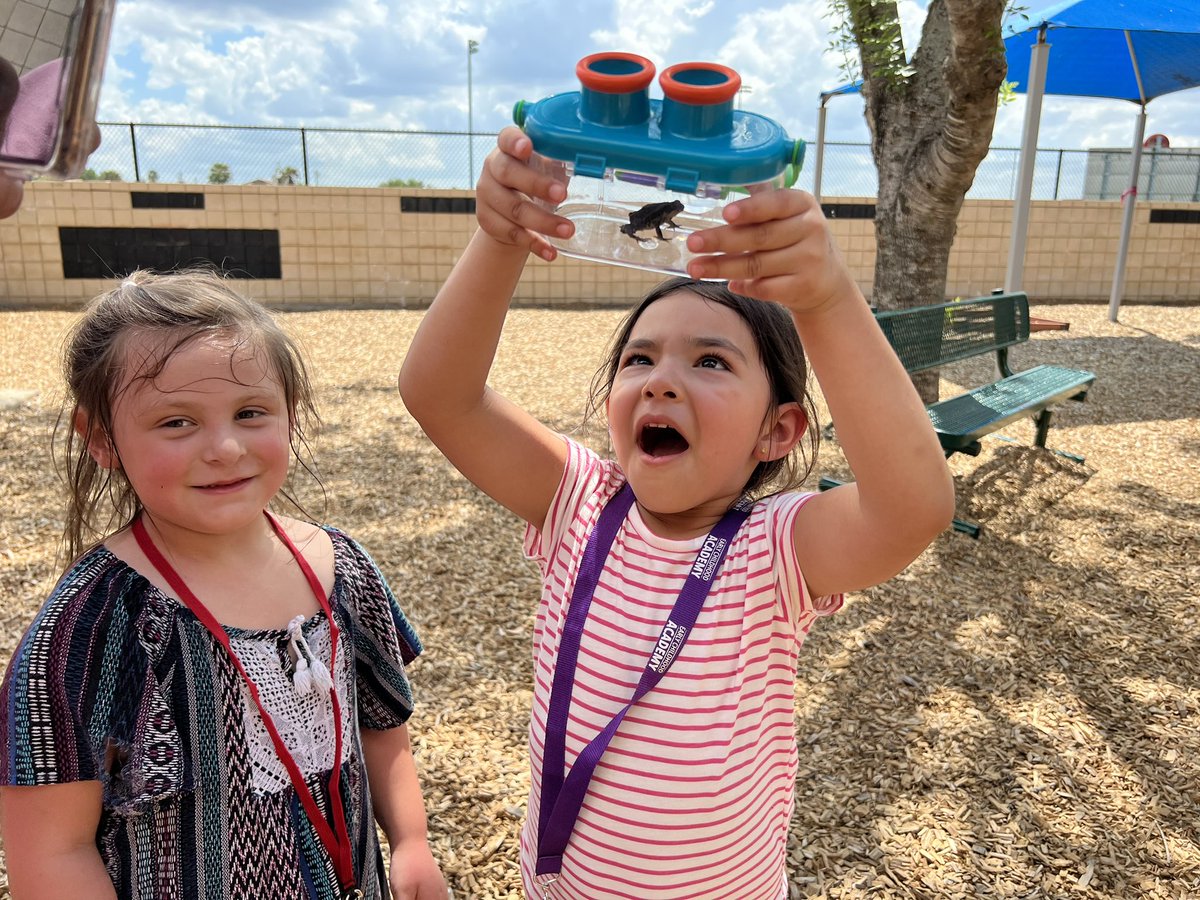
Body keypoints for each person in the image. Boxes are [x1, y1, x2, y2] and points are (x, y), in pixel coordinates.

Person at [397, 126, 955, 899]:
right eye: (639, 359)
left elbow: (911, 509)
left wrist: (826, 299)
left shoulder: (775, 550)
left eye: (710, 361)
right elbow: (439, 394)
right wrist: (502, 237)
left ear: (777, 431)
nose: (660, 381)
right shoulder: (580, 504)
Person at [0, 270, 449, 900]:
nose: (226, 447)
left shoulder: (341, 569)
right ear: (101, 438)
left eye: (250, 412)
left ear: (291, 411)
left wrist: (411, 840)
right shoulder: (93, 625)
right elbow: (53, 848)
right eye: (176, 422)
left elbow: (381, 724)